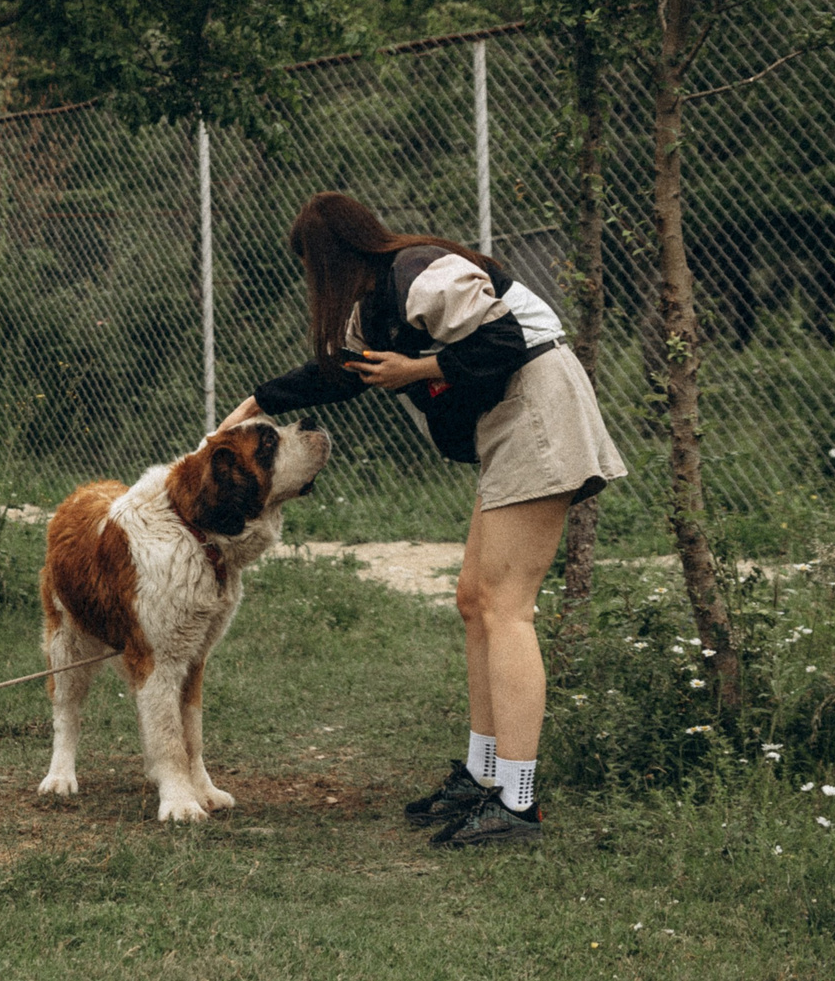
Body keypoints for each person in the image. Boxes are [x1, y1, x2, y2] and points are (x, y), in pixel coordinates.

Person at [210, 191, 625, 847]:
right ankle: (482, 778)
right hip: (507, 425)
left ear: (335, 256)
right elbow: (341, 374)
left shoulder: (421, 272)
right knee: (474, 598)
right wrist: (252, 403)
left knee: (506, 606)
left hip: (540, 411)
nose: (316, 285)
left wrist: (418, 367)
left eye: (315, 269)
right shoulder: (376, 302)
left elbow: (506, 340)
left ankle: (516, 806)